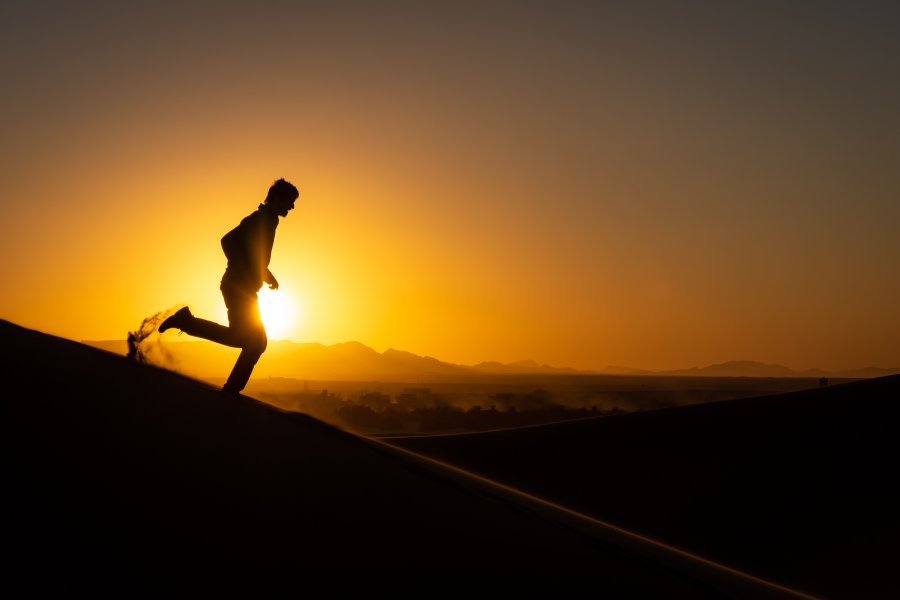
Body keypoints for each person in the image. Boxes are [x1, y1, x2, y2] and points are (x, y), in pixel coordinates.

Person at [159, 178, 299, 394]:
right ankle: (230, 391)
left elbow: (254, 255)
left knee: (250, 340)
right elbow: (227, 241)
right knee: (255, 342)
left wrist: (266, 275)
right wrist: (243, 269)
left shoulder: (268, 220)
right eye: (289, 201)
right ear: (277, 198)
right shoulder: (260, 218)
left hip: (243, 287)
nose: (292, 206)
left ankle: (187, 323)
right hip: (237, 286)